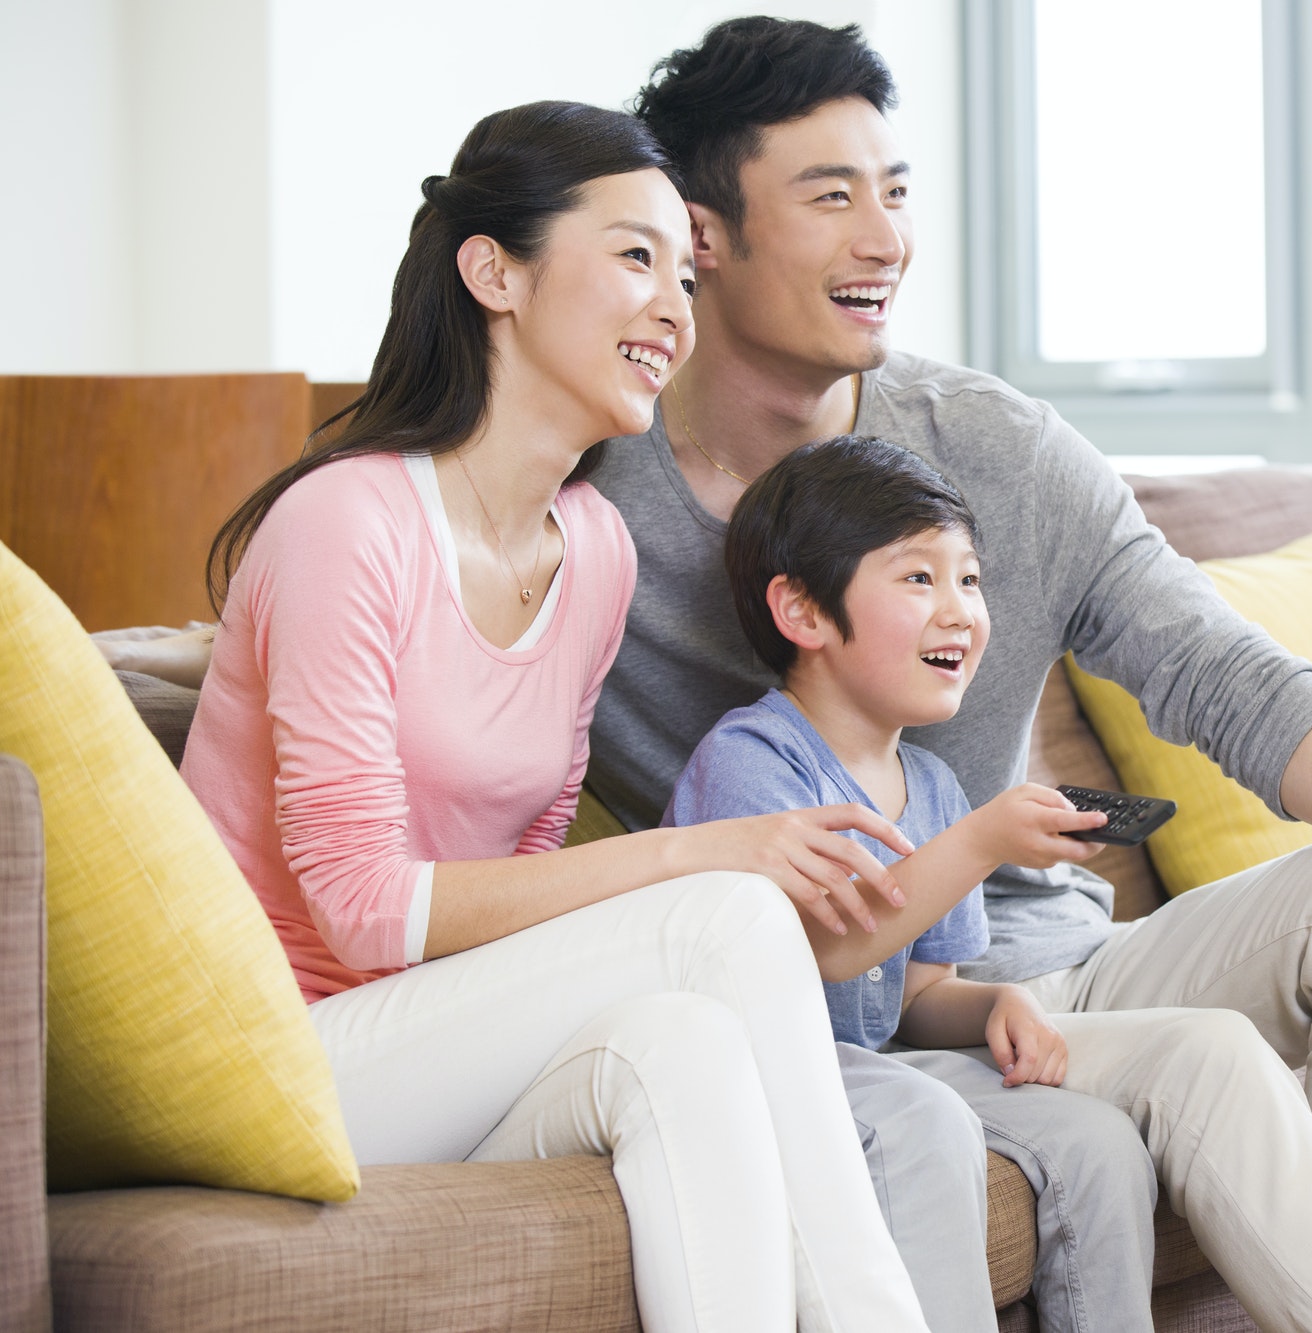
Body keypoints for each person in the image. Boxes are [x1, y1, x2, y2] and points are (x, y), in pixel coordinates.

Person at [582, 14, 1312, 1318]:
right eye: (830, 198)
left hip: (1053, 968)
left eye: (895, 192)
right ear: (702, 238)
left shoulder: (998, 452)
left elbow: (1233, 680)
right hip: (854, 1013)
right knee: (1210, 1061)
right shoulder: (586, 503)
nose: (885, 238)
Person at [178, 100, 929, 1333]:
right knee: (726, 914)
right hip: (280, 1055)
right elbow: (361, 907)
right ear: (495, 272)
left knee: (681, 1042)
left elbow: (525, 859)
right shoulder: (345, 524)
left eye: (685, 274)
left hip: (429, 1043)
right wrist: (697, 855)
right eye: (635, 256)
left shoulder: (594, 547)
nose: (676, 310)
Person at [674, 435, 1161, 1332]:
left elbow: (913, 992)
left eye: (969, 580)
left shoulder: (932, 785)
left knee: (1099, 1139)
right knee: (925, 1119)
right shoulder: (752, 762)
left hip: (873, 1062)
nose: (960, 611)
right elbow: (827, 949)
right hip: (760, 1067)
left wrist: (990, 1005)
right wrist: (984, 839)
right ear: (804, 612)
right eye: (917, 578)